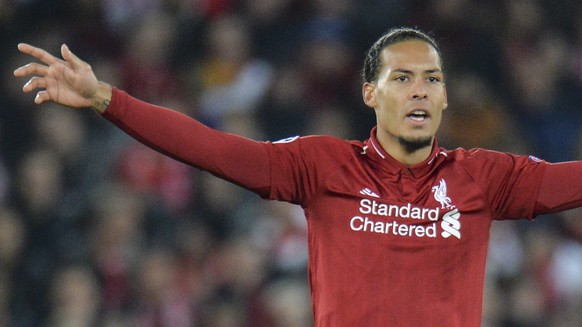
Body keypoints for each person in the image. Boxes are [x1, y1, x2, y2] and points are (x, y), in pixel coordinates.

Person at [13, 27, 582, 326]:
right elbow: (213, 149)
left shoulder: (484, 177)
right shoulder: (321, 165)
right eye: (402, 78)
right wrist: (105, 98)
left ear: (445, 96)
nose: (420, 91)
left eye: (431, 79)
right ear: (369, 93)